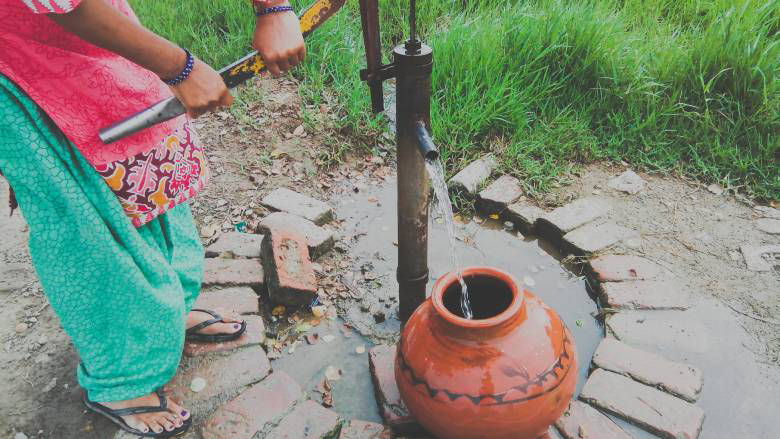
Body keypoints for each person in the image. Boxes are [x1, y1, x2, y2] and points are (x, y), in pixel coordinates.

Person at [0, 0, 305, 436]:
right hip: (22, 58)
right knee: (87, 217)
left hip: (96, 31)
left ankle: (164, 315)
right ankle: (119, 380)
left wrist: (273, 7)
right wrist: (180, 68)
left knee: (141, 169)